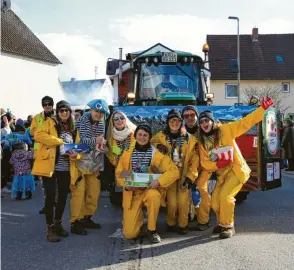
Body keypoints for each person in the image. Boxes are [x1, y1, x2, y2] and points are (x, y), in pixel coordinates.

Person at [198, 97, 274, 239]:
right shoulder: (202, 142)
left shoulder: (226, 130)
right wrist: (217, 165)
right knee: (215, 201)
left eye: (206, 120)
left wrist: (261, 109)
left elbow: (246, 123)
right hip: (220, 173)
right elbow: (204, 162)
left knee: (226, 197)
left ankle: (228, 226)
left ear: (212, 121)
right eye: (201, 122)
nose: (204, 123)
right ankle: (221, 223)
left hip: (235, 171)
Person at [115, 124, 180, 243]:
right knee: (129, 234)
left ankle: (152, 230)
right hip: (133, 192)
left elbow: (174, 171)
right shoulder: (127, 153)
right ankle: (136, 220)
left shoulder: (157, 154)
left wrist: (158, 181)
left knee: (153, 196)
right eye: (139, 134)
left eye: (145, 135)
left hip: (149, 189)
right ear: (135, 136)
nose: (142, 137)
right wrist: (126, 185)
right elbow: (120, 173)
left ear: (149, 137)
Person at [32, 100, 78, 242]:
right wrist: (58, 141)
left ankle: (58, 223)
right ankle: (50, 227)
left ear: (70, 113)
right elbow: (38, 135)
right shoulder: (49, 122)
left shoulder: (73, 127)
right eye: (61, 110)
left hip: (65, 167)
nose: (64, 113)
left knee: (63, 196)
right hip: (50, 166)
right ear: (57, 112)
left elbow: (77, 147)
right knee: (51, 196)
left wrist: (77, 155)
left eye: (66, 110)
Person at [151, 109, 199, 235]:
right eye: (172, 120)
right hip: (170, 175)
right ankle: (171, 223)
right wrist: (158, 146)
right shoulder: (160, 136)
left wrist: (190, 177)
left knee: (183, 202)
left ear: (181, 122)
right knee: (171, 202)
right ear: (168, 122)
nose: (175, 123)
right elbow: (151, 143)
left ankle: (183, 225)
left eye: (177, 120)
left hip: (183, 175)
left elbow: (195, 159)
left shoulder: (189, 139)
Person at [70, 99, 109, 235]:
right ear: (91, 110)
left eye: (101, 112)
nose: (98, 114)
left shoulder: (102, 122)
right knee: (79, 194)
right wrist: (97, 141)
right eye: (96, 111)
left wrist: (103, 146)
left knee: (94, 192)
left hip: (94, 163)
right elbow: (83, 140)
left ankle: (87, 217)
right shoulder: (82, 120)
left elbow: (99, 141)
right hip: (81, 162)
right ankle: (76, 222)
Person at [30, 96, 55, 214]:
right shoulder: (37, 117)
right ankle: (47, 204)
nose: (47, 106)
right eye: (45, 104)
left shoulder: (58, 115)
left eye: (49, 104)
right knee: (45, 182)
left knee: (56, 180)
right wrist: (44, 132)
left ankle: (55, 201)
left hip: (55, 152)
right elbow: (32, 131)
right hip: (41, 153)